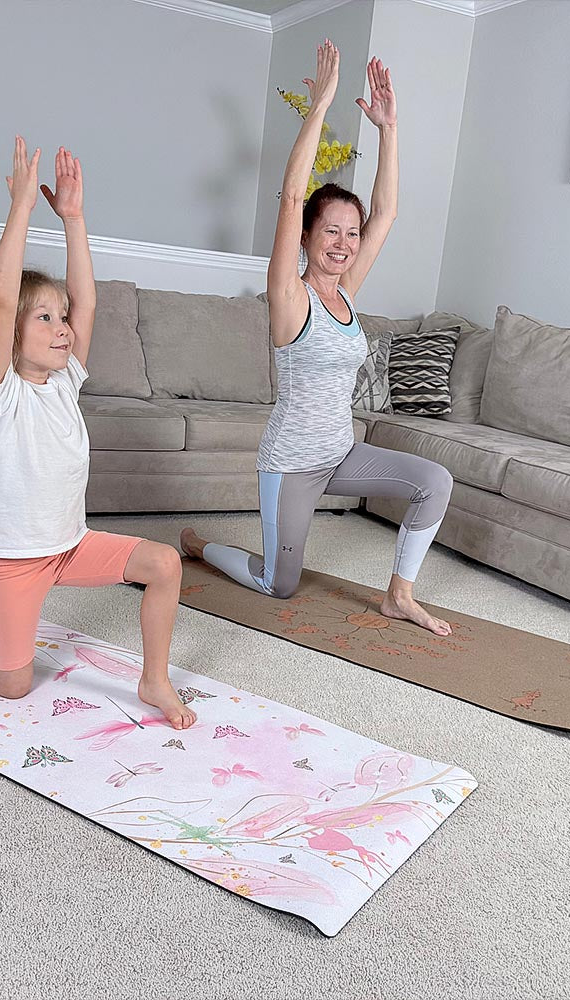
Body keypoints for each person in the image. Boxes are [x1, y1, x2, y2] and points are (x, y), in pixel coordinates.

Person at [181, 43, 454, 636]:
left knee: (434, 482)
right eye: (330, 231)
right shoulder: (290, 295)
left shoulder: (347, 290)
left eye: (350, 234)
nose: (345, 242)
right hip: (291, 465)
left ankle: (399, 595)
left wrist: (389, 129)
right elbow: (288, 198)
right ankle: (201, 546)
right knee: (278, 585)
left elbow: (387, 213)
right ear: (307, 236)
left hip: (341, 453)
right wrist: (320, 108)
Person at [0, 137, 196, 728]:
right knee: (13, 685)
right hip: (13, 562)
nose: (62, 329)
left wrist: (75, 221)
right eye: (45, 319)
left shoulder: (64, 383)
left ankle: (153, 679)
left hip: (69, 546)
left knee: (164, 563)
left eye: (60, 319)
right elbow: (4, 297)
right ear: (8, 334)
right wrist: (21, 210)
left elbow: (86, 302)